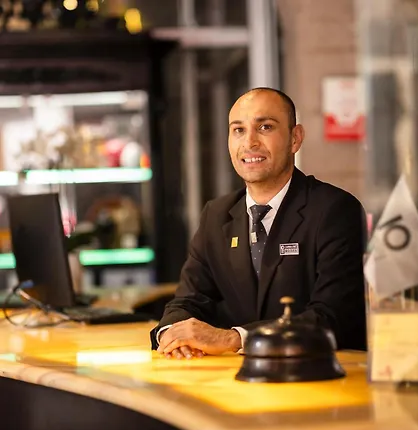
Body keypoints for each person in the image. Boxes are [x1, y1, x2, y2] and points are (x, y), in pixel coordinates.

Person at [151, 87, 367, 359]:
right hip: (235, 378)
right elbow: (189, 300)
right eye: (238, 130)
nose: (249, 142)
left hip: (317, 373)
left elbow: (332, 317)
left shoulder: (335, 210)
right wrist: (172, 334)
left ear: (295, 138)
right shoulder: (216, 215)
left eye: (265, 127)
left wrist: (233, 338)